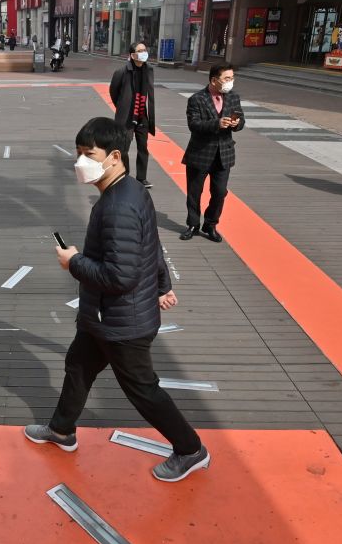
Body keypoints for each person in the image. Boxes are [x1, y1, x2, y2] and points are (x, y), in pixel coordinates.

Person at [25, 117, 210, 483]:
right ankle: (62, 430)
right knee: (78, 365)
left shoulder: (117, 207)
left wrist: (73, 262)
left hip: (121, 323)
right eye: (78, 153)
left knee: (142, 390)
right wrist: (161, 285)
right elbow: (152, 245)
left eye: (88, 154)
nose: (81, 162)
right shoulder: (132, 190)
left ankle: (190, 449)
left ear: (113, 156)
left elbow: (119, 277)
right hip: (102, 318)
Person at [181, 64, 245, 242]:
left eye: (232, 78)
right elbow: (193, 124)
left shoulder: (233, 97)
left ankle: (210, 224)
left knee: (219, 192)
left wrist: (236, 124)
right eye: (226, 79)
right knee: (194, 192)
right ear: (214, 80)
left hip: (224, 153)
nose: (230, 82)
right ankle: (193, 224)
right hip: (200, 153)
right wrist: (216, 123)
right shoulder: (197, 99)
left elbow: (241, 120)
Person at [109, 42, 156, 188]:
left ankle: (141, 178)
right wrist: (122, 107)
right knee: (124, 148)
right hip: (127, 116)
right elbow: (113, 91)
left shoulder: (149, 69)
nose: (143, 52)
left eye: (145, 50)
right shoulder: (122, 71)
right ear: (132, 54)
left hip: (142, 115)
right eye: (140, 50)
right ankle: (125, 177)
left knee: (143, 147)